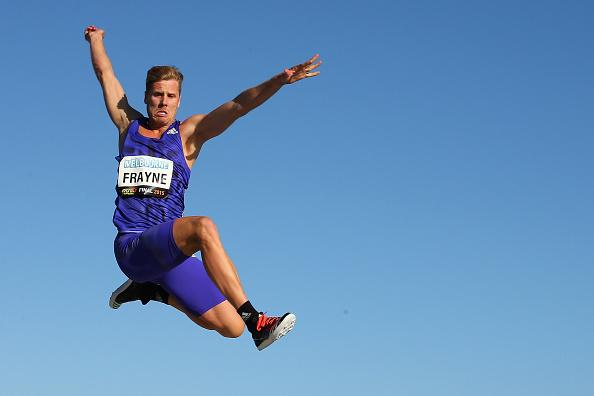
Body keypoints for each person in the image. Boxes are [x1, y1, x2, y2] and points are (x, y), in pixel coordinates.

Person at [84, 25, 321, 351]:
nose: (163, 102)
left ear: (179, 100)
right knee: (204, 227)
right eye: (157, 95)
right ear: (146, 97)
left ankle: (149, 291)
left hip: (168, 252)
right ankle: (257, 320)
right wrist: (96, 39)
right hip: (133, 245)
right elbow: (104, 72)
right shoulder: (129, 126)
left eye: (170, 96)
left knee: (230, 326)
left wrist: (278, 81)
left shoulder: (189, 134)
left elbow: (239, 106)